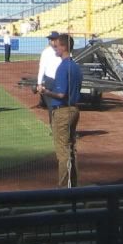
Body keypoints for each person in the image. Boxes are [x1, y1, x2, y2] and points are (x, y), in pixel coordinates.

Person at [41, 33, 83, 188]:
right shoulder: (76, 66)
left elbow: (60, 94)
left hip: (63, 111)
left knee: (63, 152)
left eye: (57, 46)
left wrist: (45, 91)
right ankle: (74, 186)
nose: (55, 48)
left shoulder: (63, 67)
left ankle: (64, 189)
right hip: (74, 110)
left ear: (64, 47)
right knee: (71, 149)